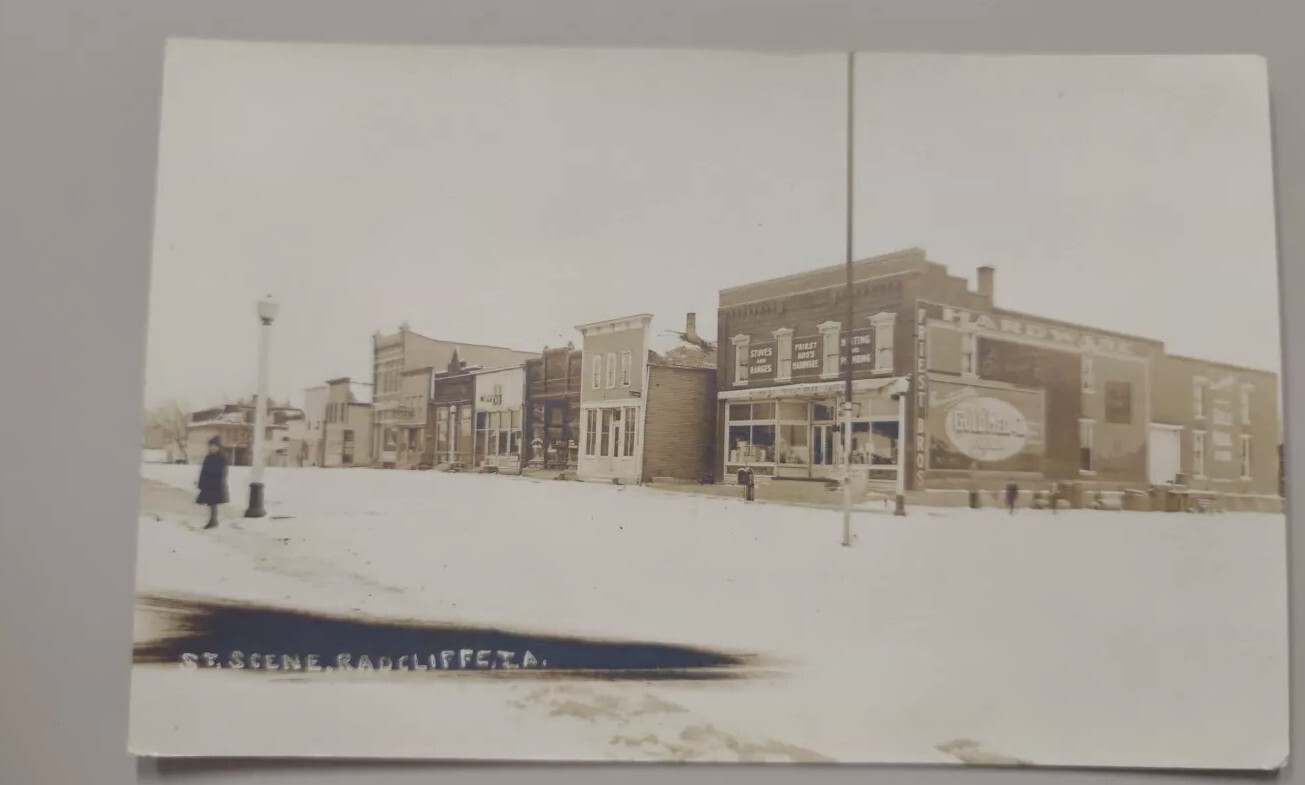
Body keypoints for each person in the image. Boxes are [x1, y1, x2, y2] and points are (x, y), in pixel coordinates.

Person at [196, 436, 229, 530]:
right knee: (210, 503)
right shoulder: (208, 458)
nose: (213, 448)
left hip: (216, 485)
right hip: (208, 484)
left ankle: (213, 521)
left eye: (215, 446)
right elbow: (203, 471)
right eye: (211, 446)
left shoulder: (221, 459)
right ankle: (212, 520)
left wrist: (218, 482)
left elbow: (222, 472)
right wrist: (201, 482)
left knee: (213, 503)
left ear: (218, 448)